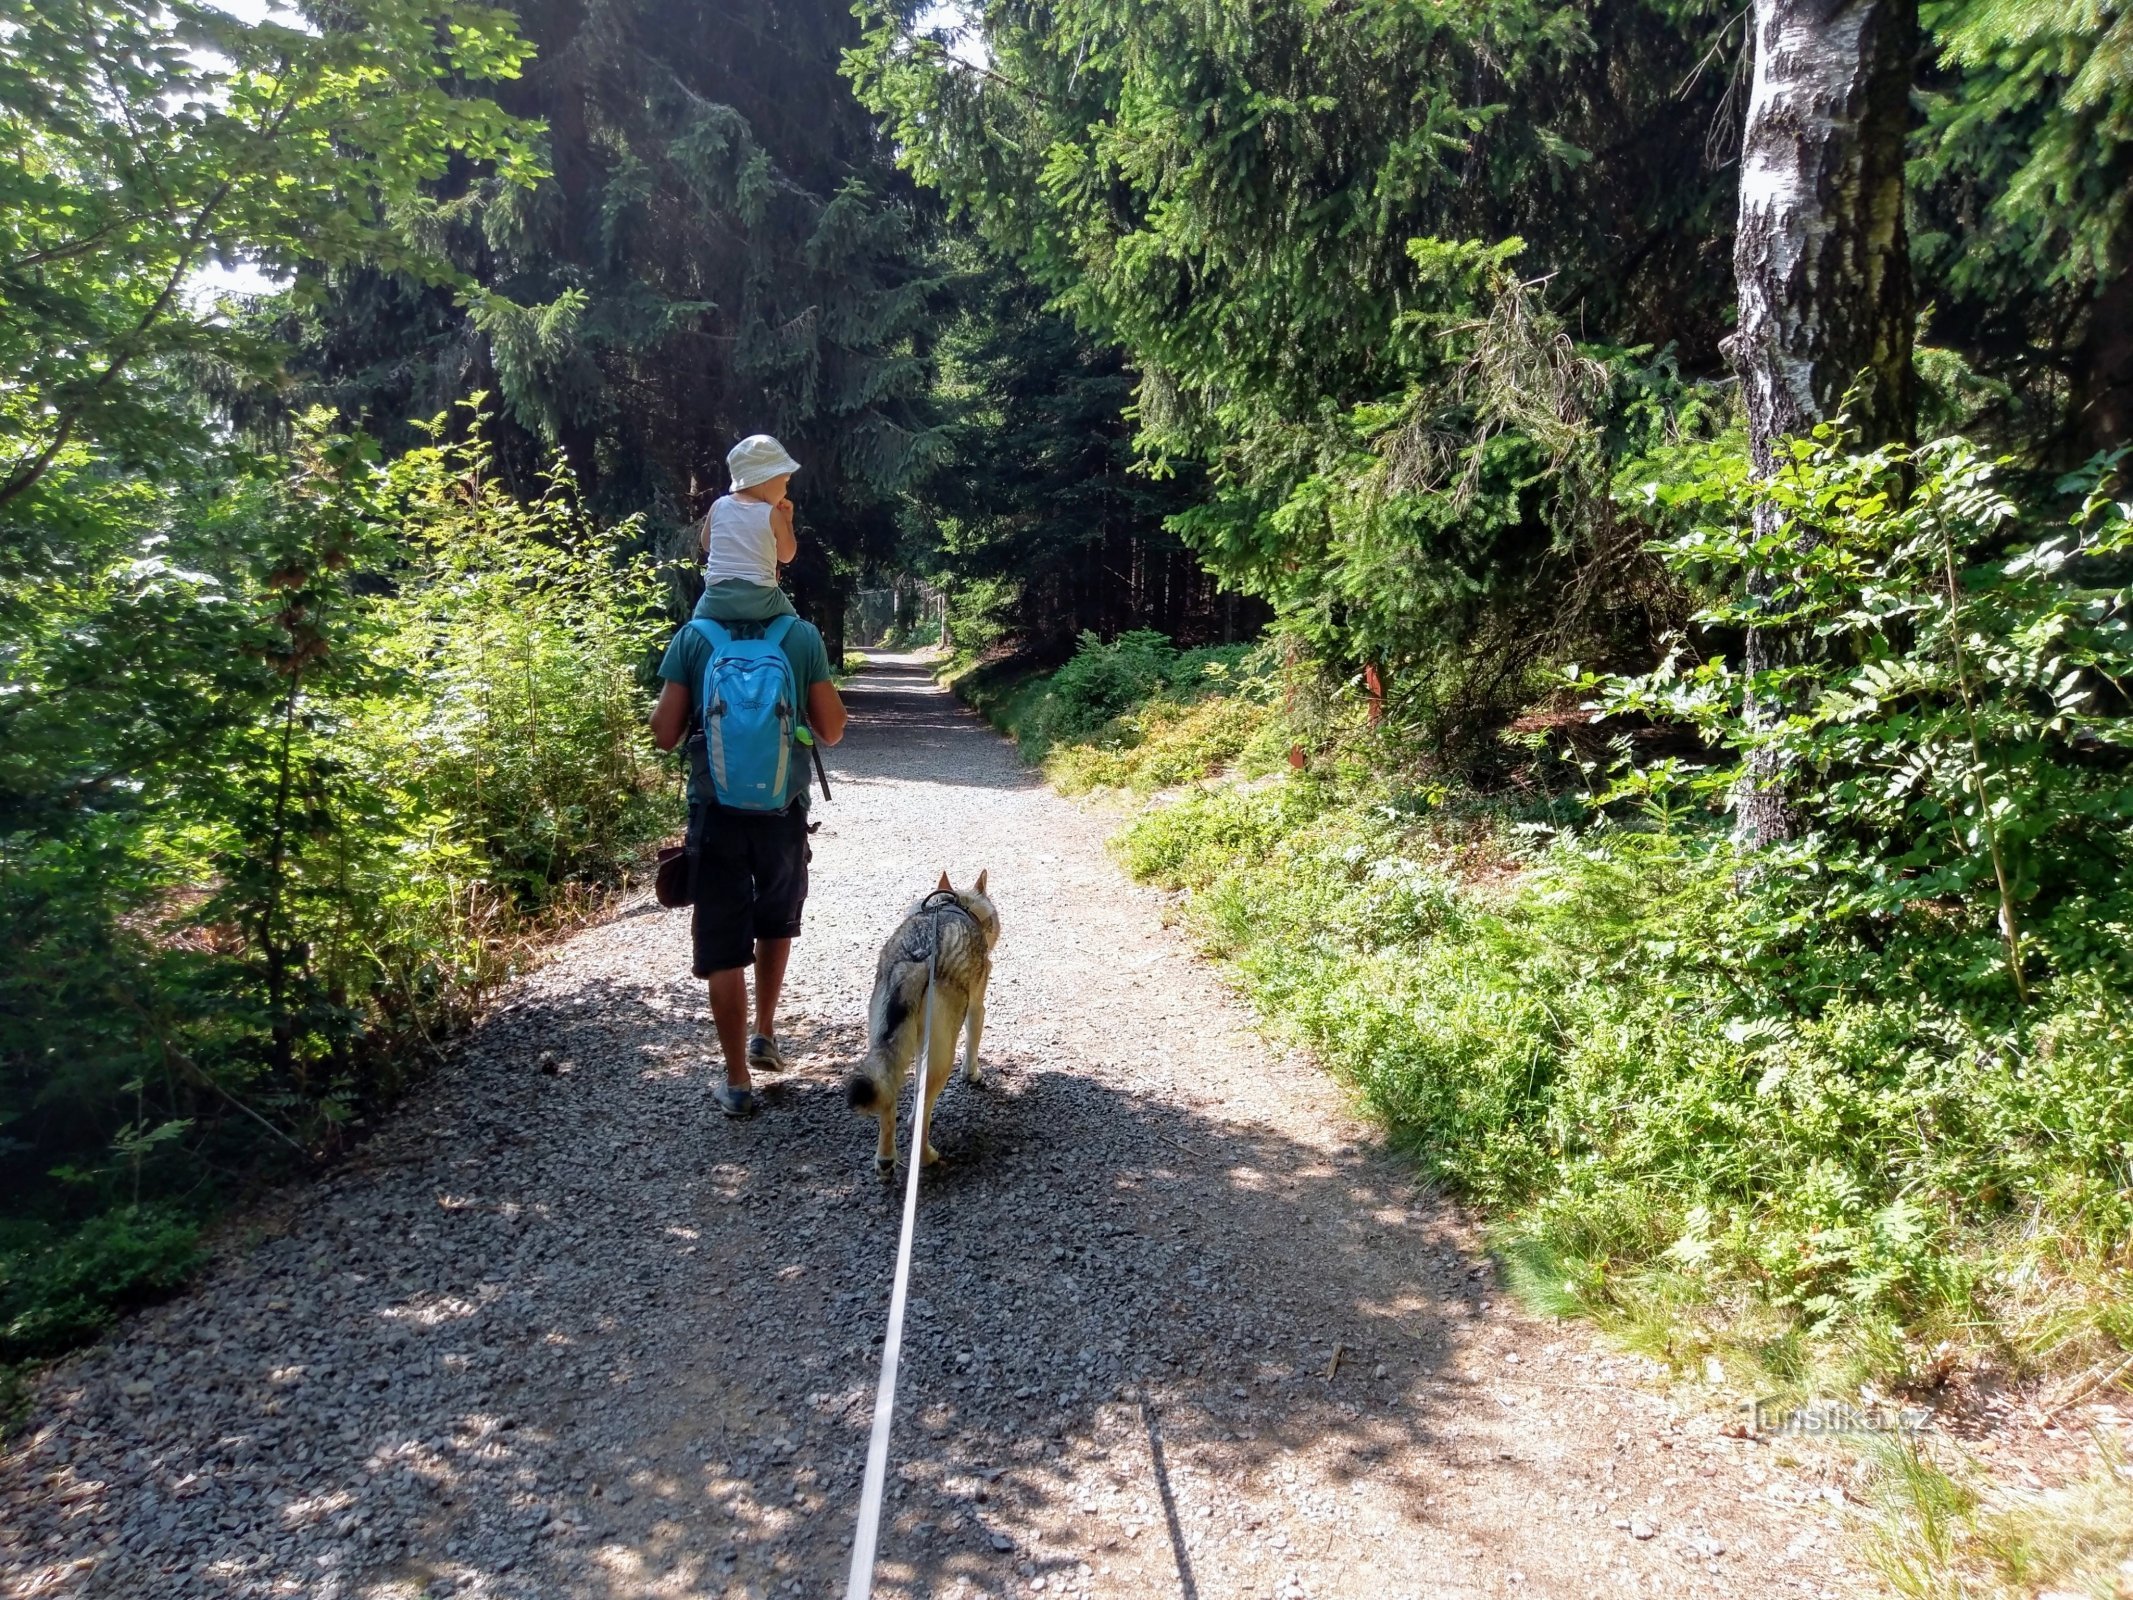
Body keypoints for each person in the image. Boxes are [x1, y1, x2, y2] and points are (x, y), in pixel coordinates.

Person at [649, 593, 847, 1118]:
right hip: (783, 811)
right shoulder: (799, 637)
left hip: (715, 815)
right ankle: (764, 1032)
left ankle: (737, 1081)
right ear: (773, 568)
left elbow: (664, 734)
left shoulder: (695, 637)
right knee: (775, 919)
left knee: (722, 942)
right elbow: (832, 728)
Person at [698, 433, 801, 624]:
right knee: (798, 627)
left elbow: (706, 545)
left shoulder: (718, 506)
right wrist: (787, 522)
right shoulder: (772, 514)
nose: (786, 490)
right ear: (766, 480)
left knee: (692, 630)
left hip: (716, 599)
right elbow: (786, 555)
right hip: (761, 600)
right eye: (785, 482)